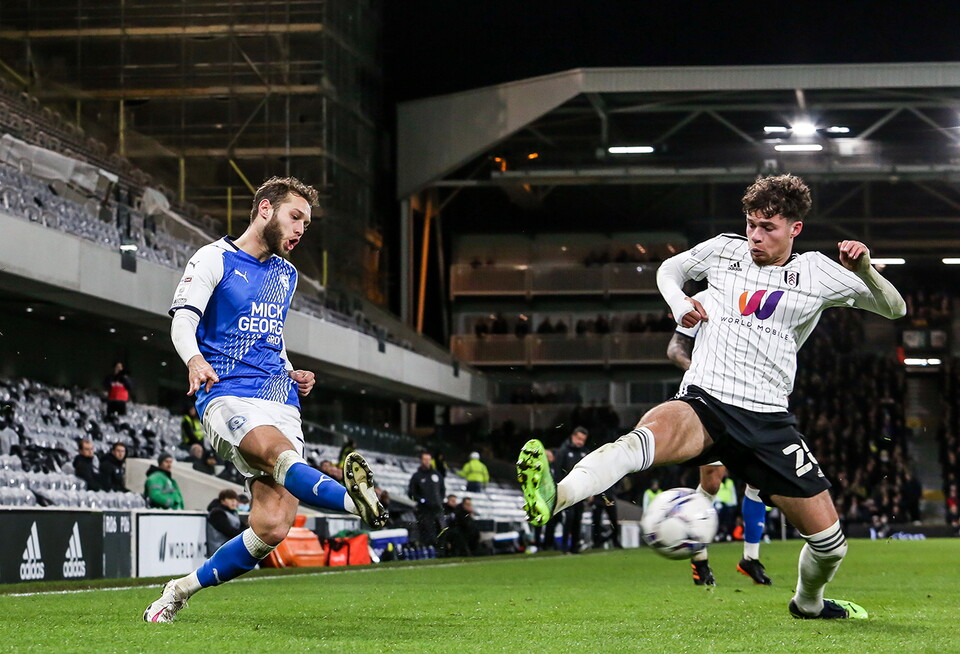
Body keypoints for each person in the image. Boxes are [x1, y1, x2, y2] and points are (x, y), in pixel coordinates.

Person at [518, 174, 905, 620]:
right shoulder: (724, 249)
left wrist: (866, 270)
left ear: (795, 228)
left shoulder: (818, 272)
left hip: (767, 422)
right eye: (751, 224)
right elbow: (670, 270)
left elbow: (895, 308)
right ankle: (556, 494)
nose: (755, 236)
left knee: (830, 546)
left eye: (768, 227)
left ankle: (808, 603)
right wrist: (678, 303)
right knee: (639, 439)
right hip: (706, 402)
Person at [144, 176, 386, 623]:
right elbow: (182, 320)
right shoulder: (212, 258)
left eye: (306, 225)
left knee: (272, 526)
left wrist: (291, 368)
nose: (300, 230)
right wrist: (194, 360)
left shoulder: (287, 274)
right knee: (276, 454)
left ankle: (179, 590)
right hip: (226, 393)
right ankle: (358, 503)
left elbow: (270, 333)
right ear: (264, 210)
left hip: (279, 395)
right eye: (295, 218)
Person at [667, 309, 773, 586]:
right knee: (712, 483)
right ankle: (699, 559)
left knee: (758, 479)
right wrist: (698, 370)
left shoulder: (755, 303)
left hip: (750, 403)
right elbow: (675, 348)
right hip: (711, 401)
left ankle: (750, 558)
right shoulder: (704, 302)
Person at [554, 427, 589, 553]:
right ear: (573, 437)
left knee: (577, 518)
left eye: (583, 440)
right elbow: (558, 471)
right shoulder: (563, 451)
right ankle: (564, 546)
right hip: (567, 491)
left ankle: (575, 546)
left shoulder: (585, 453)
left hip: (580, 491)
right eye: (579, 438)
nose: (580, 442)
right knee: (569, 518)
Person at [408, 452, 445, 548]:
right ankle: (429, 549)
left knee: (440, 529)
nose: (427, 462)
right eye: (425, 459)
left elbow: (442, 489)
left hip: (437, 508)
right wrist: (421, 500)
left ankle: (440, 549)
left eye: (429, 459)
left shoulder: (437, 475)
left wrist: (440, 500)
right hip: (424, 510)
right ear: (421, 461)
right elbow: (411, 493)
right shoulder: (417, 476)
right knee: (427, 530)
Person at [207, 489, 245, 557]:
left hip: (229, 548)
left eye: (235, 499)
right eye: (230, 499)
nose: (233, 501)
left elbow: (243, 527)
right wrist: (245, 534)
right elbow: (229, 531)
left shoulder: (233, 513)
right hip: (219, 550)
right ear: (222, 501)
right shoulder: (217, 513)